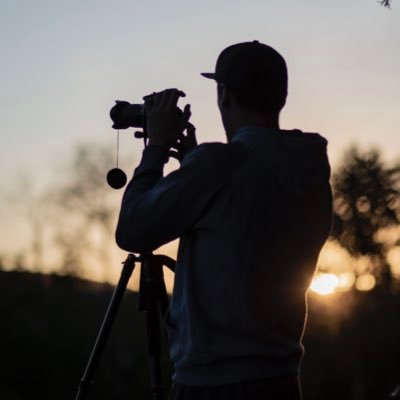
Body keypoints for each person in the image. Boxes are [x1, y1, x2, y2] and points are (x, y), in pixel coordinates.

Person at [115, 41, 332, 400]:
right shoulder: (309, 169)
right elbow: (246, 224)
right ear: (281, 95)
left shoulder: (219, 165)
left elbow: (133, 230)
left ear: (224, 94)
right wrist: (193, 168)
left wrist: (155, 150)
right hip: (281, 380)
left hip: (213, 383)